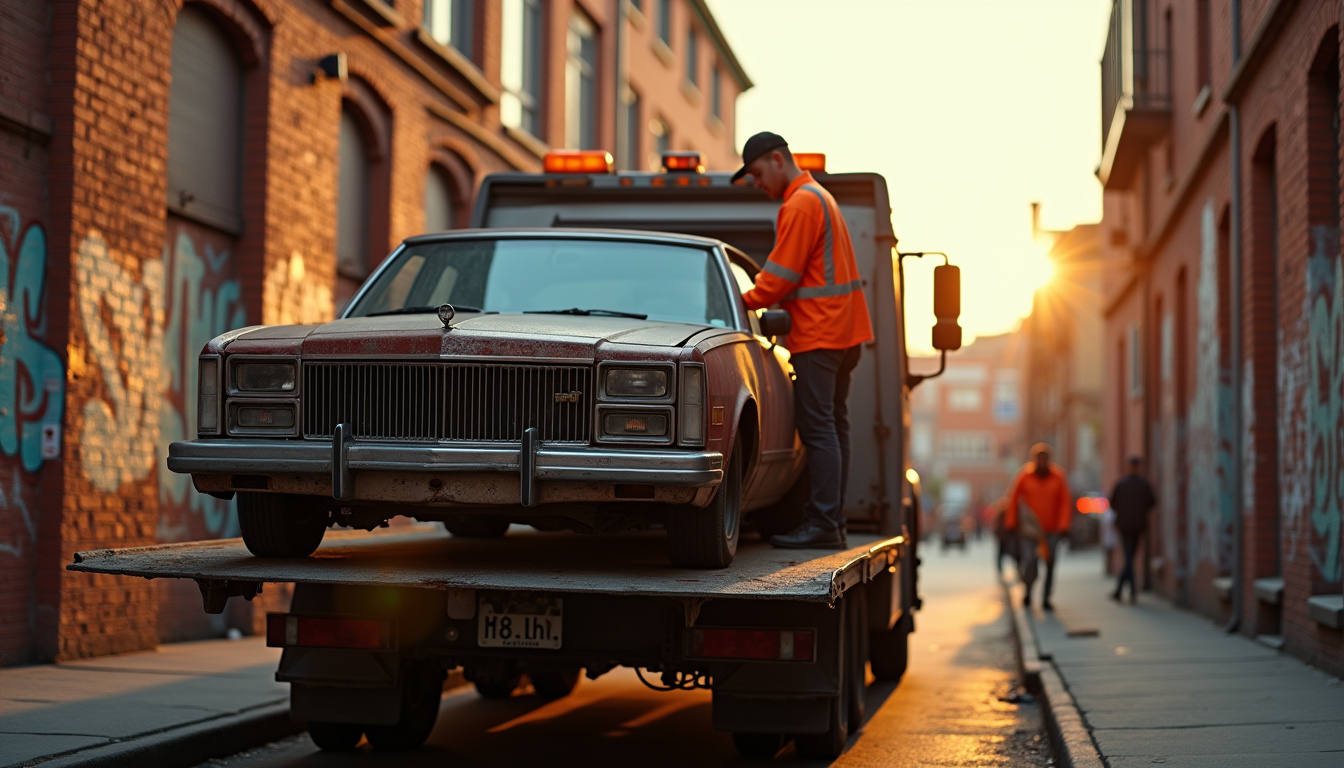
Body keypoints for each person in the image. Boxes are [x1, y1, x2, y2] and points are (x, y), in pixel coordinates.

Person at [734, 131, 874, 549]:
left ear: (778, 160)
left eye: (758, 174)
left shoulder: (800, 204)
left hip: (820, 334)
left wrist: (738, 302)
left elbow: (780, 276)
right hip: (844, 332)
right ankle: (832, 521)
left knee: (818, 430)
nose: (758, 184)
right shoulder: (820, 197)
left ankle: (824, 523)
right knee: (834, 428)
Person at [1006, 443, 1072, 610]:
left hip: (1052, 530)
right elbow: (1013, 500)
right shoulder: (1024, 476)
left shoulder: (1058, 477)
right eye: (1039, 458)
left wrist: (1064, 526)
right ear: (1034, 459)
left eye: (1045, 458)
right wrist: (1011, 523)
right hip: (1030, 531)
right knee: (1030, 561)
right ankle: (1028, 591)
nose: (1042, 462)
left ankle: (1046, 598)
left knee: (1050, 563)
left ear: (1049, 460)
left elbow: (1065, 502)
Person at [1109, 455, 1157, 604]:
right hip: (1137, 525)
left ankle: (1121, 590)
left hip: (1124, 525)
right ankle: (1130, 590)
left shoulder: (1121, 484)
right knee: (1130, 556)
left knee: (1129, 557)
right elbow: (1152, 502)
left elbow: (1112, 503)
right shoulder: (1144, 484)